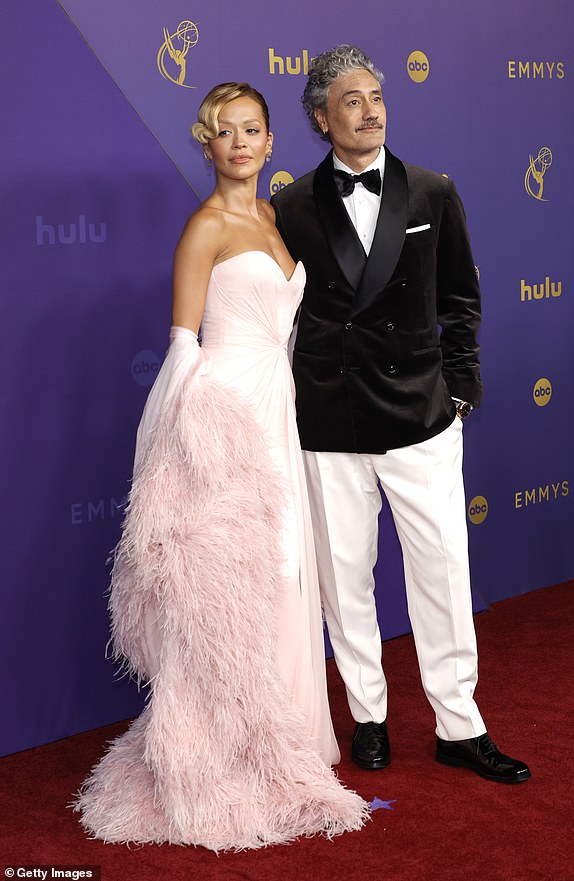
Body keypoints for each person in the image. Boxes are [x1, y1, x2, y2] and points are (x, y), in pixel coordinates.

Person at [75, 82, 368, 850]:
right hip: (227, 421)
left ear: (271, 142)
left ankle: (287, 738)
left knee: (283, 575)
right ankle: (226, 752)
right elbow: (182, 347)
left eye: (252, 130)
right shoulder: (203, 227)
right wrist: (181, 454)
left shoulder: (275, 218)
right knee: (234, 586)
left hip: (280, 412)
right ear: (207, 143)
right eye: (225, 132)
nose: (239, 143)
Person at [271, 45, 531, 783]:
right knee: (345, 576)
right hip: (331, 417)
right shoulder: (288, 207)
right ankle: (369, 716)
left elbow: (460, 298)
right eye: (351, 101)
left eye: (377, 97)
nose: (371, 109)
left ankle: (460, 723)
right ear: (322, 118)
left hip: (421, 412)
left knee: (444, 571)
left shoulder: (430, 192)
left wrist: (459, 389)